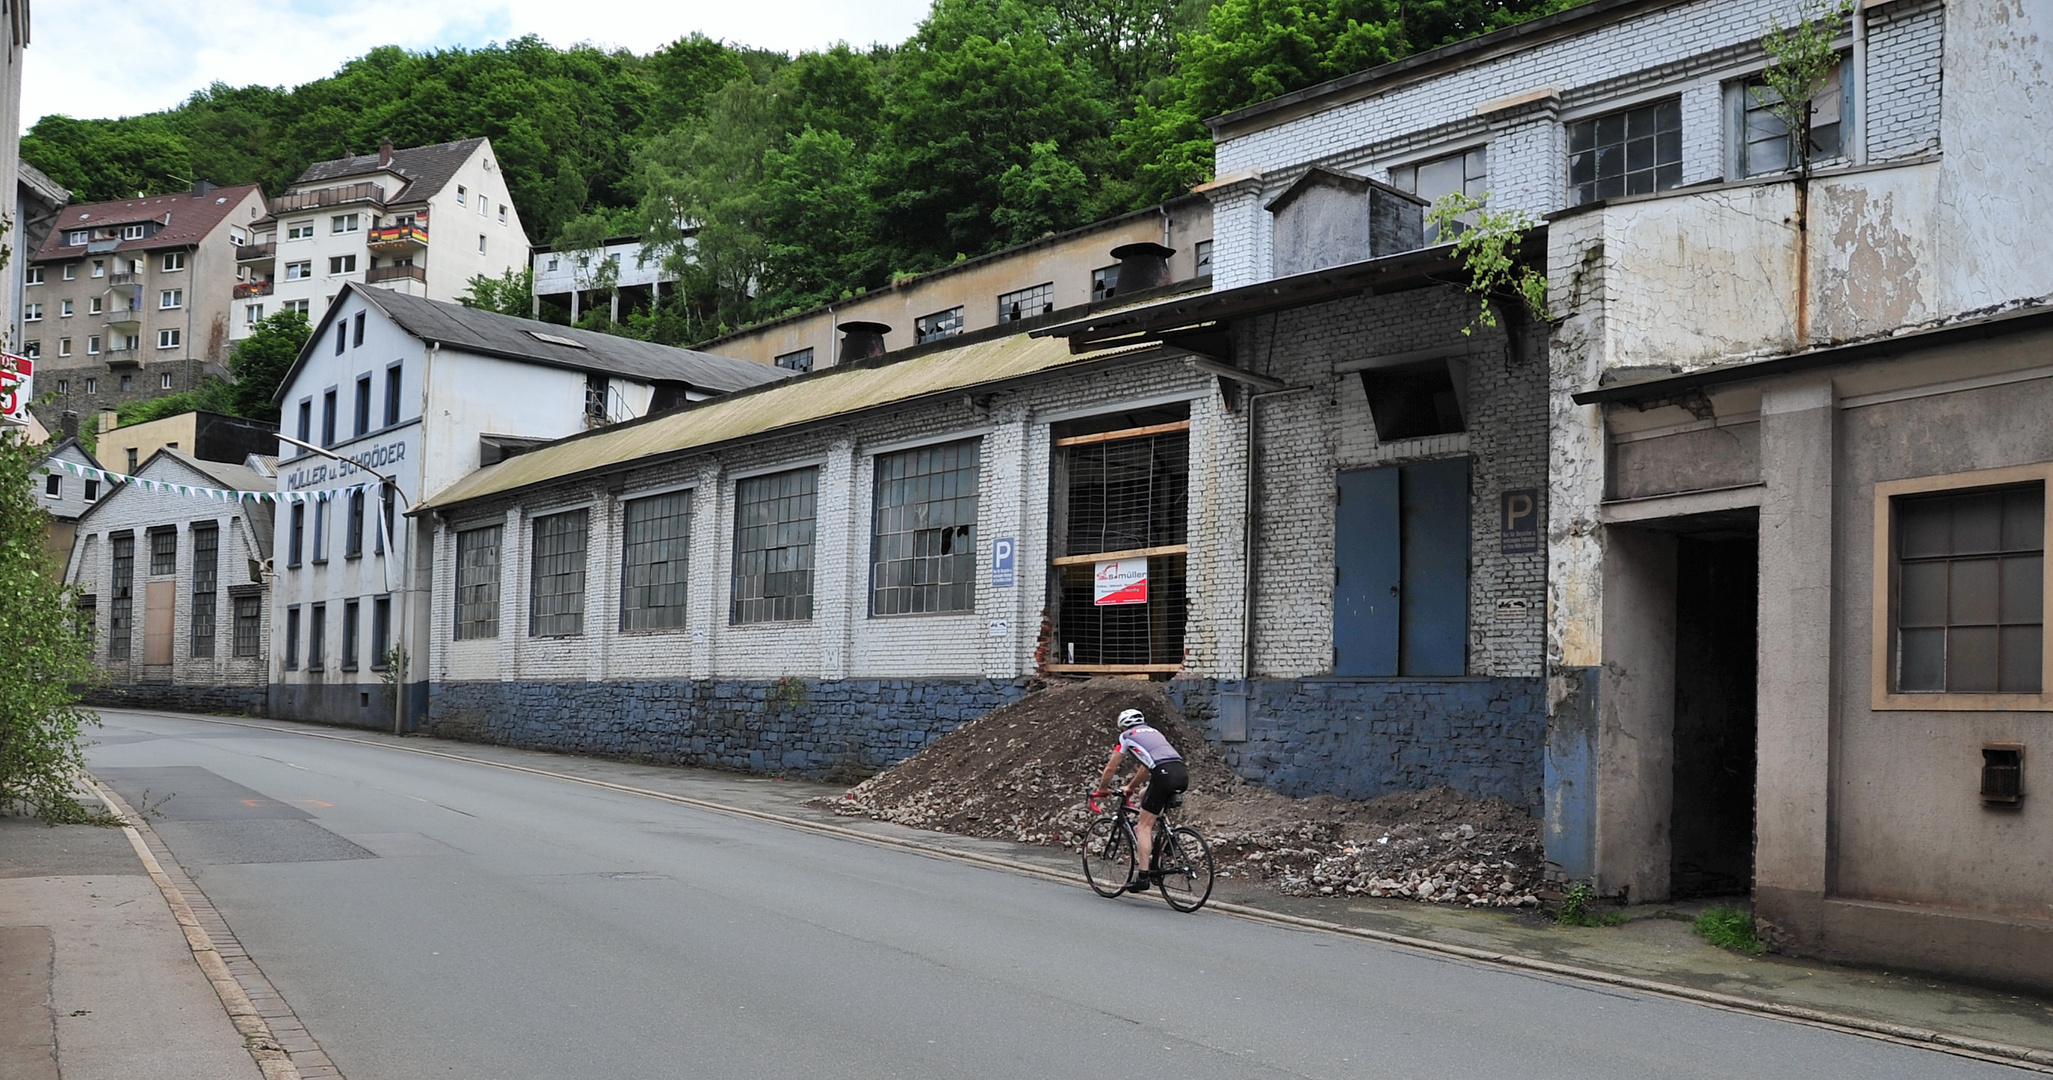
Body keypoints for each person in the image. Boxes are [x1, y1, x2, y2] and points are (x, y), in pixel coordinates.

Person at [1094, 707, 1188, 893]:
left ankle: (1143, 876)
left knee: (1144, 826)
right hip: (1181, 773)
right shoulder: (1154, 732)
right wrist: (1131, 787)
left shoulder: (1127, 736)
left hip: (1162, 775)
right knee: (1144, 794)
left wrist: (1102, 789)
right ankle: (1169, 837)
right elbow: (1146, 767)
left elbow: (1111, 768)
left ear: (1122, 727)